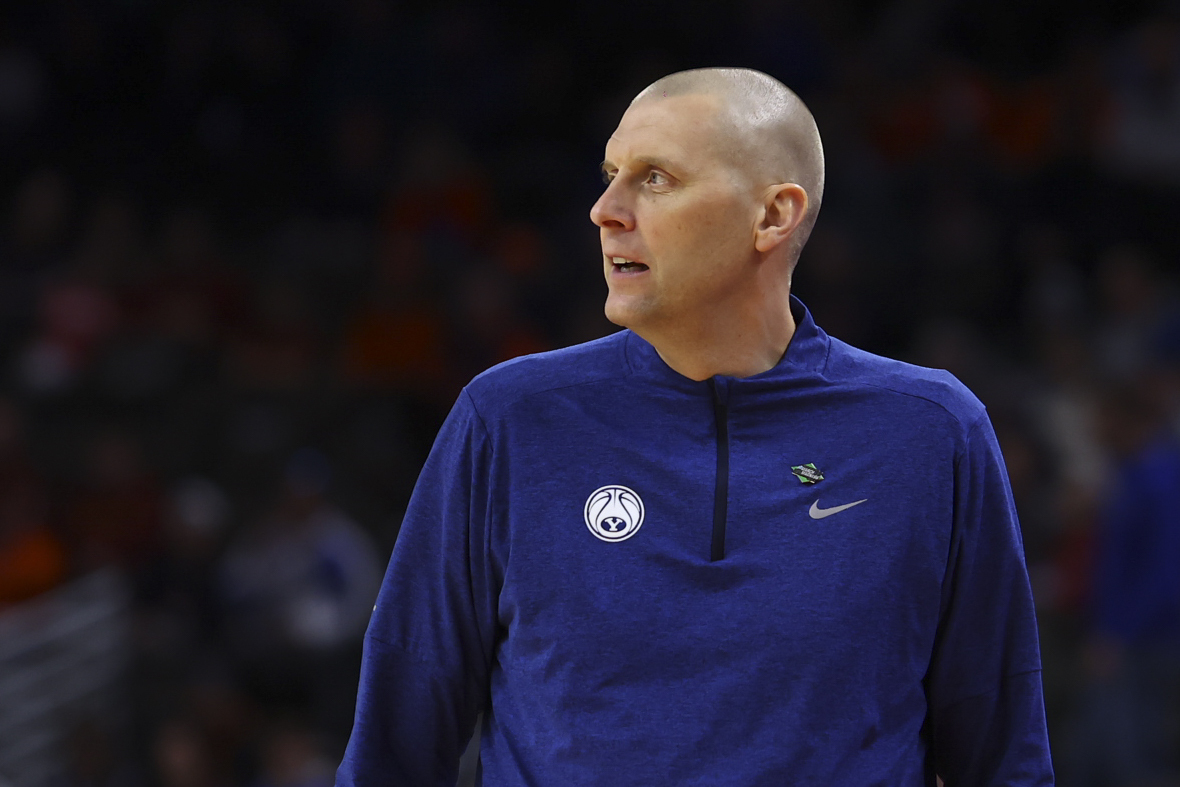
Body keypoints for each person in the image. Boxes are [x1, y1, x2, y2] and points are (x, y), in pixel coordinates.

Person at [336, 67, 1054, 785]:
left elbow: (1003, 757)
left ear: (773, 216)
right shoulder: (509, 419)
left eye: (655, 179)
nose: (605, 210)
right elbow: (394, 748)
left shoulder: (931, 431)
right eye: (612, 173)